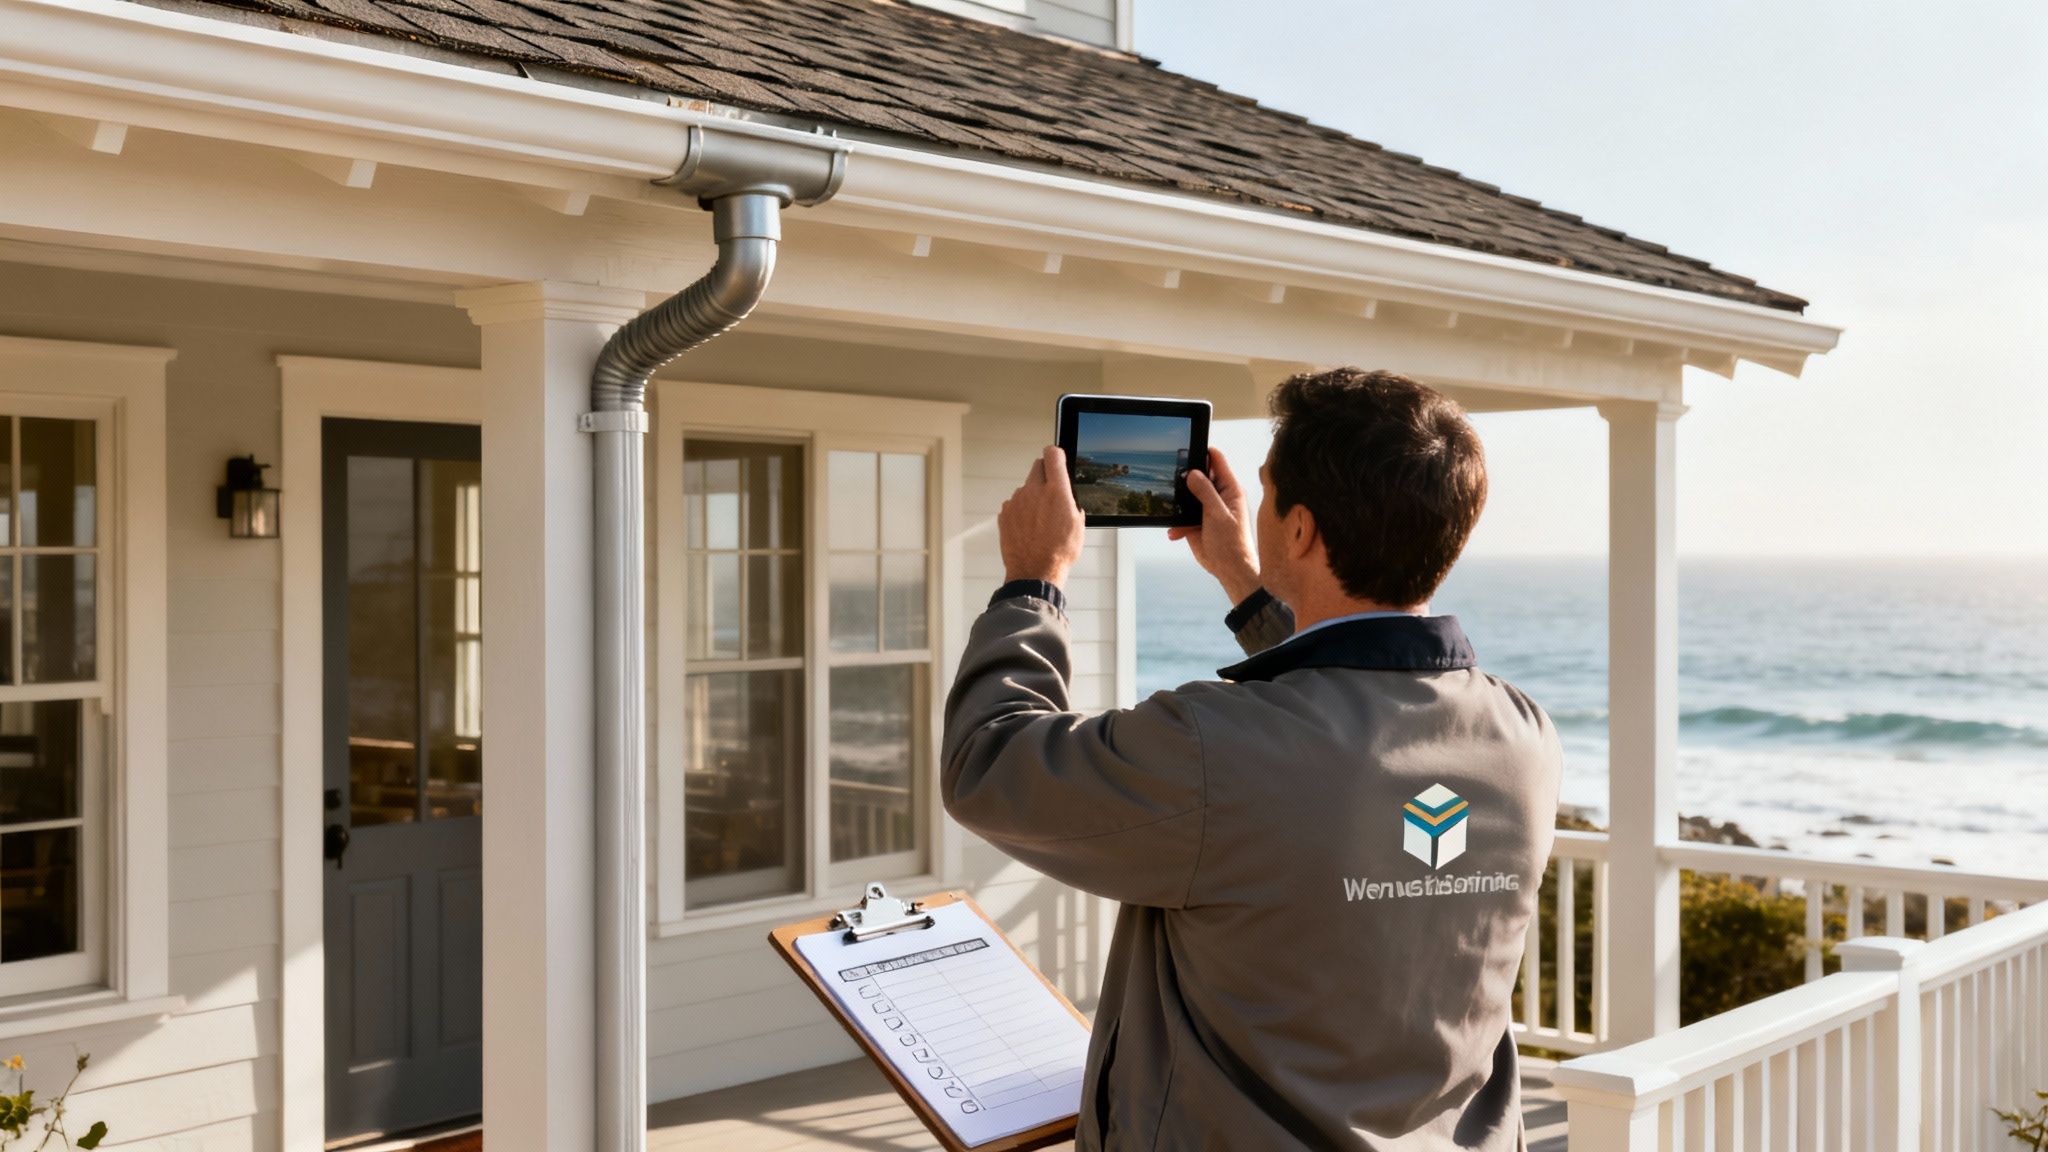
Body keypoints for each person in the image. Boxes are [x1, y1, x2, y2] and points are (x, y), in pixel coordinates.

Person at [941, 367, 1562, 1151]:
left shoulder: (1213, 747)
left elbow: (987, 763)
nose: (1259, 514)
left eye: (1269, 498)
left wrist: (1034, 582)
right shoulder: (1522, 735)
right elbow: (1348, 718)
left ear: (1299, 530)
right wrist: (1245, 578)